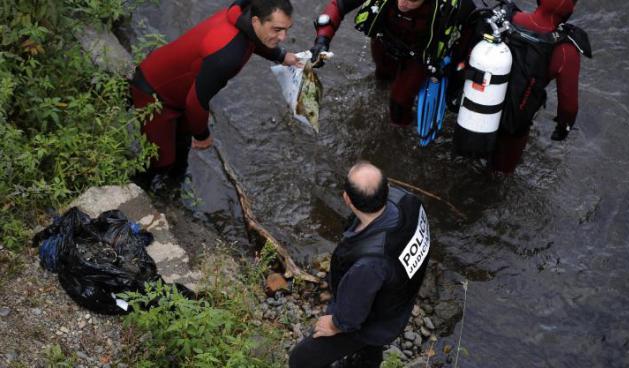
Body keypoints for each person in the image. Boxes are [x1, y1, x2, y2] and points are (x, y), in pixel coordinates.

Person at [130, 0, 301, 186]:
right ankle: (137, 191)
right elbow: (195, 103)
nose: (283, 36)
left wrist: (281, 56)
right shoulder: (226, 56)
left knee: (181, 148)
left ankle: (174, 189)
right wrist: (203, 136)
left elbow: (255, 39)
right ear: (255, 21)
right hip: (154, 92)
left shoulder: (241, 14)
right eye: (276, 30)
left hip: (178, 85)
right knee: (162, 162)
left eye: (287, 29)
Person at [288, 161, 432, 368]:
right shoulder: (410, 201)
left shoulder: (368, 265)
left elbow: (352, 316)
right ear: (387, 188)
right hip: (400, 297)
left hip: (377, 320)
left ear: (347, 199)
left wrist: (335, 324)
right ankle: (366, 360)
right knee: (368, 353)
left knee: (301, 359)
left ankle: (366, 356)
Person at [454, 0, 591, 174]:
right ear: (571, 9)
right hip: (514, 123)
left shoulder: (505, 18)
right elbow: (568, 106)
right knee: (500, 175)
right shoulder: (565, 50)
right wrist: (563, 127)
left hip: (477, 105)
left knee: (463, 160)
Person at [308, 0, 476, 127]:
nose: (403, 3)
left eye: (412, 0)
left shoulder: (453, 5)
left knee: (399, 103)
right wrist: (323, 39)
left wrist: (459, 75)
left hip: (417, 57)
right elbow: (338, 5)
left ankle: (398, 138)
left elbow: (471, 29)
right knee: (382, 78)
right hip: (384, 41)